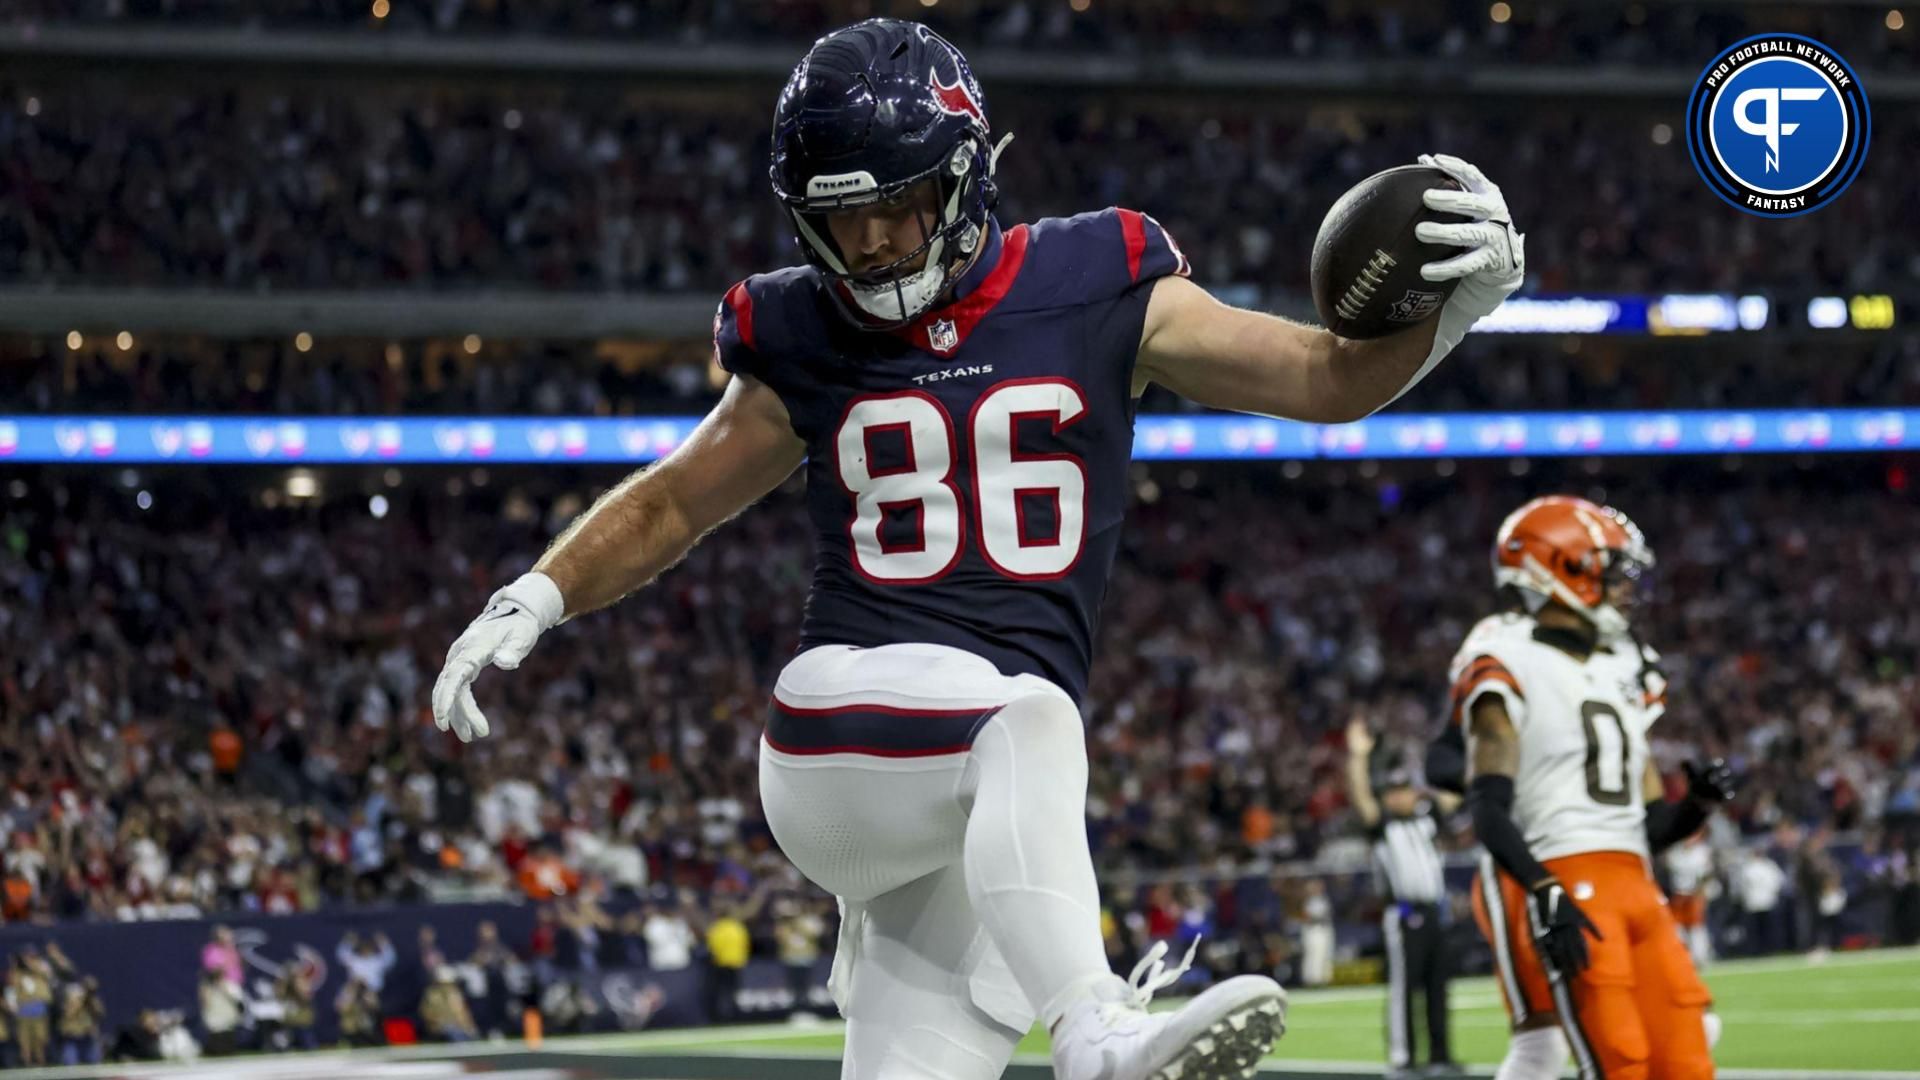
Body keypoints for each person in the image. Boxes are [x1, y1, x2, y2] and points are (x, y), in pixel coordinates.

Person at [431, 19, 1524, 1079]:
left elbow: (1324, 376)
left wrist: (1450, 316)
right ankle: (1094, 1029)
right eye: (840, 218)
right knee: (1029, 718)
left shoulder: (1101, 277)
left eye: (897, 207)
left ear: (962, 175)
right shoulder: (801, 330)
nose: (867, 243)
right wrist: (536, 593)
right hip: (840, 736)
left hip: (971, 804)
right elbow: (675, 504)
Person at [1443, 496, 1737, 1080]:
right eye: (1612, 570)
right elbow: (1487, 805)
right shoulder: (1504, 656)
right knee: (1617, 1060)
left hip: (1636, 883)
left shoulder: (1617, 667)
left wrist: (1697, 804)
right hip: (1568, 874)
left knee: (1687, 1053)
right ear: (1563, 567)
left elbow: (1650, 826)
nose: (1626, 588)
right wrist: (1544, 890)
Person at [1346, 718, 1461, 1078]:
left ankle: (1440, 1056)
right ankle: (1403, 1060)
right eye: (1392, 792)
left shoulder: (1426, 817)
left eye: (1405, 790)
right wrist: (1358, 757)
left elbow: (1454, 794)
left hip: (1435, 914)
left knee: (1437, 989)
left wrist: (1453, 752)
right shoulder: (1382, 824)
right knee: (1403, 991)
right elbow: (1361, 797)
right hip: (1403, 914)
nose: (1400, 796)